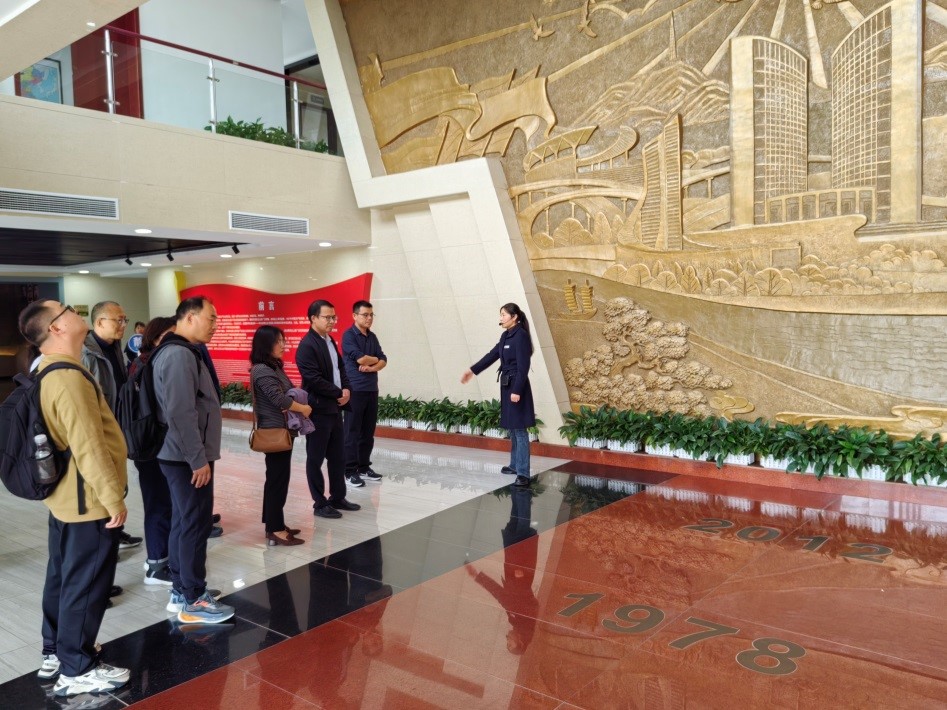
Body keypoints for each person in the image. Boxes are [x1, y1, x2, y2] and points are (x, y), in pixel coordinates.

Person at [17, 300, 130, 696]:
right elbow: (89, 447)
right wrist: (113, 499)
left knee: (63, 576)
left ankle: (57, 650)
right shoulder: (66, 377)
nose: (75, 312)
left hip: (68, 498)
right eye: (66, 309)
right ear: (57, 328)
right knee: (86, 584)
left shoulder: (49, 368)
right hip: (87, 501)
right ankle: (77, 668)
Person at [150, 296, 234, 624]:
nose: (215, 325)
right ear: (189, 318)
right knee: (195, 525)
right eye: (210, 318)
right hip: (185, 457)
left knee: (185, 521)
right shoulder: (177, 355)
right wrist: (197, 459)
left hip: (181, 454)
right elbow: (180, 412)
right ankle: (193, 599)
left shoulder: (181, 351)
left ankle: (181, 589)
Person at [81, 301, 142, 566]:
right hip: (100, 429)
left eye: (124, 320)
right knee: (103, 486)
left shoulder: (115, 347)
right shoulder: (86, 353)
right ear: (99, 322)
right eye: (118, 320)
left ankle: (115, 532)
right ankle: (105, 542)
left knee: (117, 482)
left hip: (118, 425)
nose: (123, 325)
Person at [296, 299, 361, 519]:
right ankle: (319, 502)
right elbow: (313, 379)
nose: (332, 321)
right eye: (327, 317)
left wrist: (346, 389)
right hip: (317, 410)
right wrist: (337, 392)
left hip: (334, 408)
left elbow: (341, 368)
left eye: (334, 317)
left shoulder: (329, 340)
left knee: (337, 456)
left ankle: (338, 497)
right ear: (313, 318)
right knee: (315, 458)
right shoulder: (307, 345)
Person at [461, 302, 536, 488]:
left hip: (517, 385)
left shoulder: (521, 336)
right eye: (500, 315)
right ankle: (514, 465)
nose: (500, 318)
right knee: (512, 427)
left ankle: (523, 473)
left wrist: (517, 390)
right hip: (506, 384)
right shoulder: (505, 336)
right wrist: (472, 370)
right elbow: (491, 355)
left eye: (503, 315)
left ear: (514, 317)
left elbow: (524, 367)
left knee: (520, 429)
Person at [250, 325, 312, 546]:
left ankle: (274, 523)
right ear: (265, 344)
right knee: (277, 480)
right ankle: (275, 529)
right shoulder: (261, 370)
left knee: (278, 478)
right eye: (278, 341)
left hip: (283, 429)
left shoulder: (273, 366)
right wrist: (303, 408)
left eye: (283, 340)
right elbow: (280, 400)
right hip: (274, 431)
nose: (283, 345)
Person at [127, 316, 177, 586]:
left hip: (147, 443)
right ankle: (157, 565)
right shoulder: (151, 364)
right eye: (170, 335)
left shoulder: (144, 362)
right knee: (159, 503)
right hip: (153, 445)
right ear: (156, 338)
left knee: (161, 502)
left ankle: (160, 558)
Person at [341, 300, 387, 487]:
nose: (369, 318)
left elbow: (384, 360)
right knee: (351, 432)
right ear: (355, 316)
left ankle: (363, 467)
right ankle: (349, 471)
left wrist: (372, 366)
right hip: (355, 390)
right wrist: (375, 360)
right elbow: (361, 359)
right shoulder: (348, 336)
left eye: (371, 315)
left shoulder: (372, 337)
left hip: (371, 389)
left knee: (367, 433)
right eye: (365, 315)